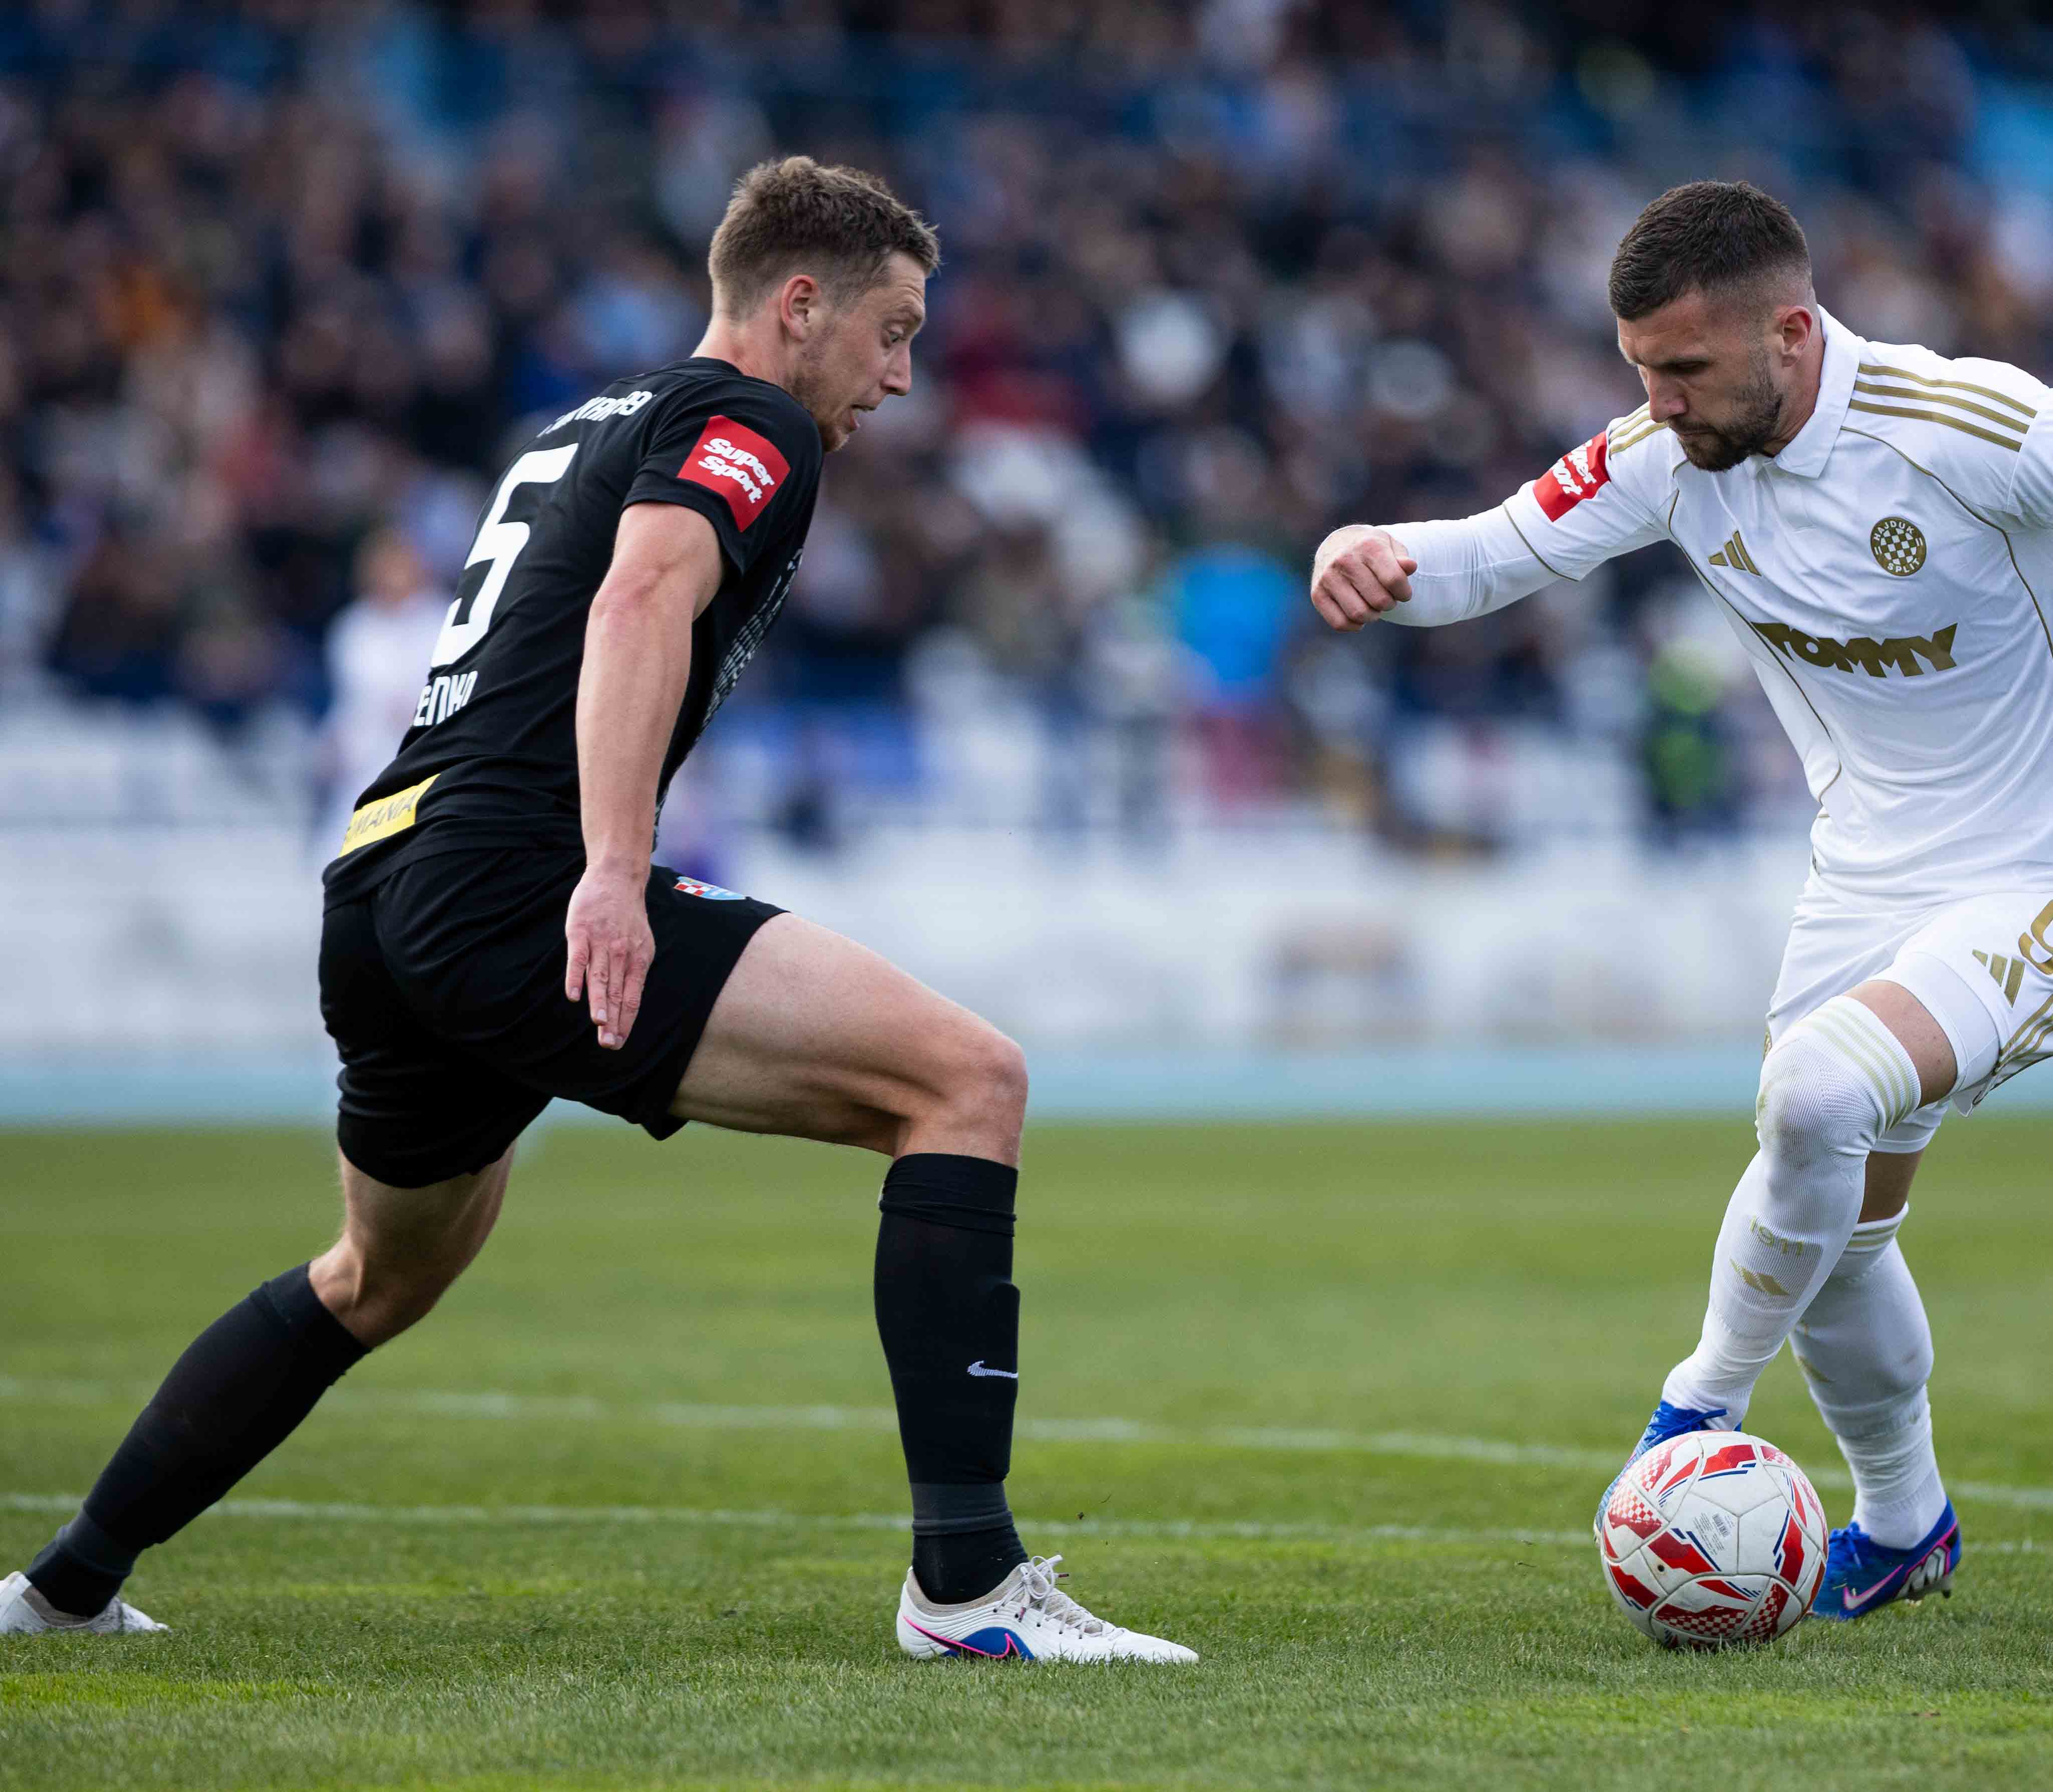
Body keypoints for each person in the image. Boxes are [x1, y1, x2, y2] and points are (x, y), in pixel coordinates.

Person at [3, 157, 1191, 1664]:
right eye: (890, 331)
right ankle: (965, 1590)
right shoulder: (752, 419)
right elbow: (638, 602)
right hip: (513, 880)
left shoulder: (590, 419)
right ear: (799, 303)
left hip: (383, 882)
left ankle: (62, 1589)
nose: (899, 377)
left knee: (372, 1277)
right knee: (965, 1081)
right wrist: (615, 874)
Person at [1304, 181, 2053, 1623]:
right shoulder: (1672, 451)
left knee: (1809, 1101)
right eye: (1638, 372)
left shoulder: (1967, 425)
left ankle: (1689, 1411)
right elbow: (1484, 550)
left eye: (1682, 370)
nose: (1653, 403)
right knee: (1837, 1222)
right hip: (1864, 882)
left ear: (1791, 332)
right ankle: (1906, 1520)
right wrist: (1364, 551)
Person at [312, 529, 452, 868]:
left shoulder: (444, 619)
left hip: (425, 762)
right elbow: (350, 703)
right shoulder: (353, 627)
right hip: (363, 765)